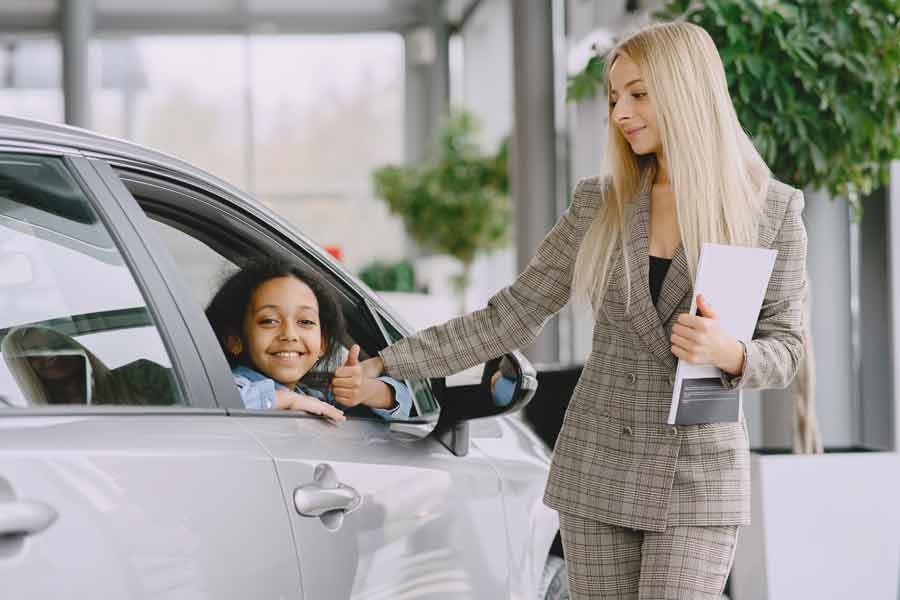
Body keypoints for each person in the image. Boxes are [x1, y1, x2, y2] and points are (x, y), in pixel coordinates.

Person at [360, 21, 807, 599]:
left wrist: (732, 352)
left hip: (696, 476)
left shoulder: (769, 209)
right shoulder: (600, 202)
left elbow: (788, 347)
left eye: (639, 94)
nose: (621, 112)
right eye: (615, 97)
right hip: (599, 465)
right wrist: (389, 363)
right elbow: (509, 315)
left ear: (688, 90)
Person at [205, 258, 412, 423]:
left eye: (305, 321)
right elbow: (214, 403)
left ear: (322, 343)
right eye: (269, 321)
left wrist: (365, 390)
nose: (289, 334)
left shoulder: (314, 394)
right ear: (234, 340)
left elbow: (404, 405)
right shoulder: (229, 385)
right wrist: (287, 401)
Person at [2, 325, 178, 406]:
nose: (51, 352)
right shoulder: (47, 425)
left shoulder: (141, 375)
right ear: (24, 369)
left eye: (56, 343)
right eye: (35, 351)